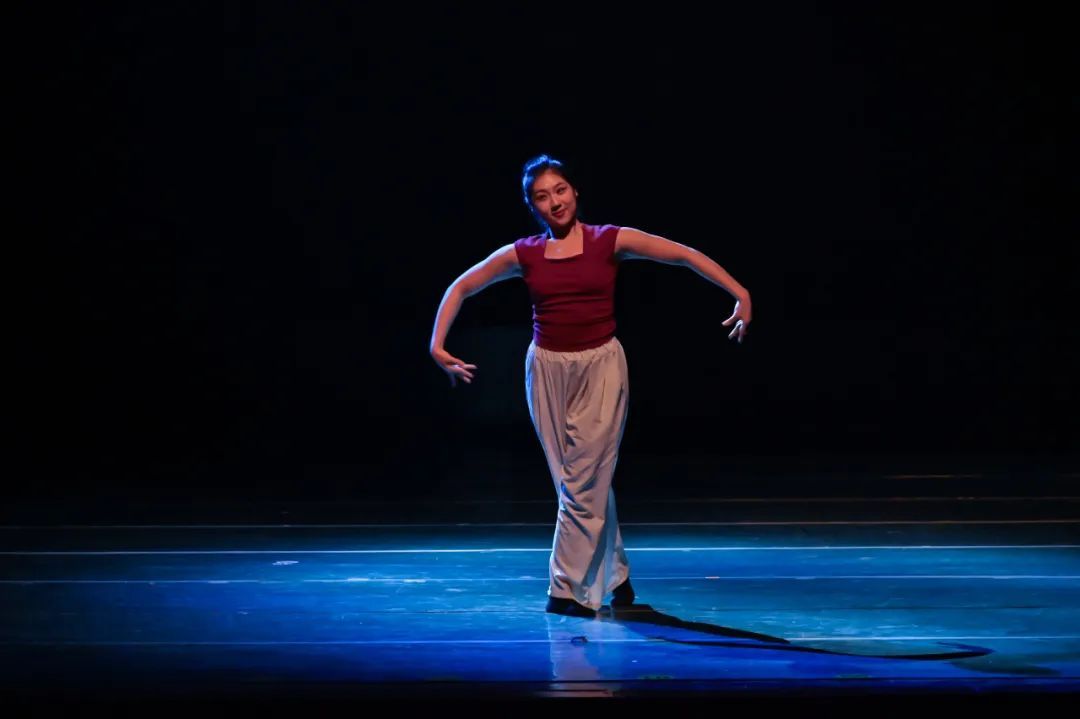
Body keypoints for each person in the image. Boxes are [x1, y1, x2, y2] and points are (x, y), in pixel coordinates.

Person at [429, 154, 752, 618]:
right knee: (577, 482)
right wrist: (437, 345)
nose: (555, 202)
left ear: (575, 191)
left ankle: (566, 590)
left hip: (600, 367)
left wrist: (739, 291)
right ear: (532, 206)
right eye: (542, 196)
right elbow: (462, 285)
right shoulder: (525, 254)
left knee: (582, 483)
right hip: (546, 370)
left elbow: (682, 253)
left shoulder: (608, 241)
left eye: (560, 190)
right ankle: (615, 575)